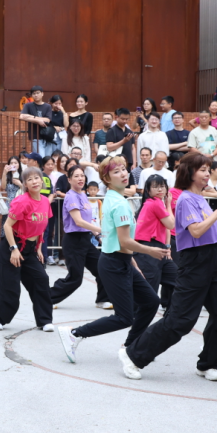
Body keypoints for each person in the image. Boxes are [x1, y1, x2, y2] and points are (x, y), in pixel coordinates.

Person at [120, 152, 217, 382]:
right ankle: (133, 355)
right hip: (194, 262)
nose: (207, 173)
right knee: (180, 320)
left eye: (207, 169)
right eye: (203, 169)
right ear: (190, 173)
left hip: (211, 260)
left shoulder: (200, 197)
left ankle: (208, 363)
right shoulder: (184, 199)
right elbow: (196, 231)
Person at [56, 156, 169, 365]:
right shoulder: (119, 204)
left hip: (122, 261)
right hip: (113, 264)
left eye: (124, 169)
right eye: (116, 172)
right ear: (106, 178)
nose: (124, 174)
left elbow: (120, 241)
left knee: (152, 301)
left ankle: (130, 347)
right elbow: (126, 240)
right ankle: (75, 333)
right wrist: (150, 251)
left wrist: (134, 264)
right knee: (124, 317)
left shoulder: (113, 197)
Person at [0, 166, 54, 332]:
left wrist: (38, 247)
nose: (34, 182)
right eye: (29, 179)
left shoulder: (45, 201)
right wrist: (14, 249)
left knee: (41, 280)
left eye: (36, 178)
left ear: (42, 180)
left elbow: (41, 226)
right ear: (25, 184)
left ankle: (44, 321)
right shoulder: (21, 201)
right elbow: (8, 226)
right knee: (10, 288)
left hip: (30, 248)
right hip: (12, 246)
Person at [49, 165, 110, 310]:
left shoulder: (83, 194)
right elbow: (78, 221)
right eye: (76, 176)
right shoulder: (70, 196)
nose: (80, 178)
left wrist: (98, 235)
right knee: (75, 279)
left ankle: (102, 299)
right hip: (73, 241)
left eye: (82, 175)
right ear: (69, 179)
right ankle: (48, 297)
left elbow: (87, 221)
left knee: (102, 269)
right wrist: (102, 229)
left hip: (85, 239)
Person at [133, 174, 178, 308]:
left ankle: (171, 314)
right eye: (155, 187)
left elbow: (166, 229)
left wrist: (168, 247)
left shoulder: (155, 203)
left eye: (162, 186)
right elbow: (171, 224)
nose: (160, 189)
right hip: (148, 250)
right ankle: (135, 318)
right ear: (148, 190)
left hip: (158, 248)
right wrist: (169, 205)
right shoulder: (155, 203)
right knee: (149, 292)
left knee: (178, 279)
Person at [19, 86, 54, 158]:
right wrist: (37, 120)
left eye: (38, 93)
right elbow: (21, 116)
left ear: (42, 94)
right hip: (35, 136)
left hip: (47, 135)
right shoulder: (28, 105)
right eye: (34, 93)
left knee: (47, 158)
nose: (36, 95)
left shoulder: (47, 106)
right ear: (32, 95)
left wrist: (31, 117)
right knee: (40, 157)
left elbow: (47, 120)